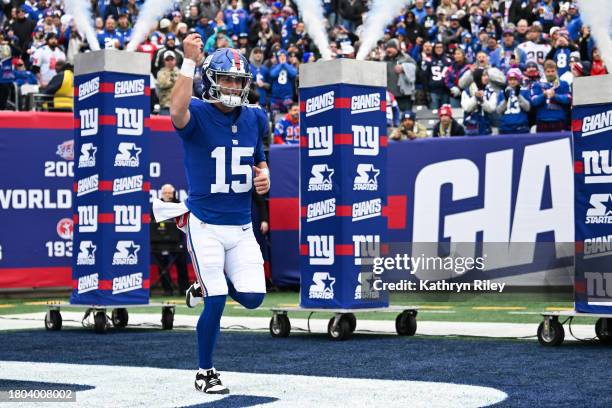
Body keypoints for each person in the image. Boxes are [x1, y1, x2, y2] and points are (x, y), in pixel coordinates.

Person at [169, 36, 269, 395]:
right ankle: (205, 371)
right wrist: (187, 62)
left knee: (255, 298)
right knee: (216, 299)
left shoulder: (255, 116)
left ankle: (204, 284)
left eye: (238, 81)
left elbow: (259, 158)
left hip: (241, 227)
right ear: (212, 79)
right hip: (206, 225)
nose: (233, 86)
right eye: (226, 79)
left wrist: (265, 173)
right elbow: (176, 112)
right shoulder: (197, 112)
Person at [530, 59, 571, 132]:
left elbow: (568, 99)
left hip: (559, 120)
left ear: (556, 71)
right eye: (548, 71)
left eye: (553, 71)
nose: (550, 73)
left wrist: (555, 96)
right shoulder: (537, 84)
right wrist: (544, 95)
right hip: (542, 120)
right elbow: (534, 102)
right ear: (544, 72)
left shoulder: (564, 84)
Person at [461, 68, 497, 136]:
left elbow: (491, 109)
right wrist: (475, 97)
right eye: (483, 75)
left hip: (486, 128)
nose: (486, 77)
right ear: (478, 77)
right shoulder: (466, 92)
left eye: (487, 75)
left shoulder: (491, 92)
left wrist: (482, 100)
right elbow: (467, 108)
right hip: (471, 129)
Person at [496, 68, 530, 134]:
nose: (512, 82)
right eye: (510, 79)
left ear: (519, 79)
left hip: (521, 127)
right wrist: (505, 100)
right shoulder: (502, 92)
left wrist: (518, 96)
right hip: (505, 128)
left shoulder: (524, 91)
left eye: (515, 79)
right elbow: (498, 111)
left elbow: (527, 108)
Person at [269, 49, 297, 115]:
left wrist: (285, 64)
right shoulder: (274, 67)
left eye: (284, 55)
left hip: (287, 97)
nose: (282, 57)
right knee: (275, 117)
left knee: (288, 115)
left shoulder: (290, 66)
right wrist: (281, 65)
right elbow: (273, 74)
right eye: (280, 56)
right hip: (275, 98)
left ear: (287, 57)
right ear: (277, 57)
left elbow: (293, 74)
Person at [156, 51, 179, 115]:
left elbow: (183, 86)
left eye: (172, 59)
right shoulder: (160, 73)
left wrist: (170, 80)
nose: (170, 61)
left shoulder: (181, 72)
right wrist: (175, 80)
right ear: (164, 61)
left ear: (175, 60)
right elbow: (163, 84)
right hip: (166, 106)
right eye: (167, 59)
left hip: (178, 106)